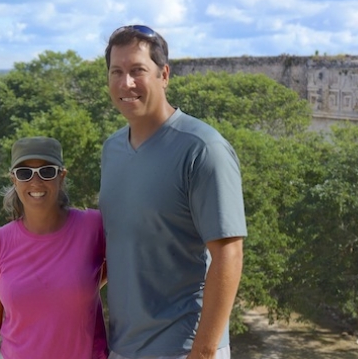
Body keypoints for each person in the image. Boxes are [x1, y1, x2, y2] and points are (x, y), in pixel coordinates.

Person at [99, 25, 247, 359]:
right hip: (122, 345)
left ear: (164, 74)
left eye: (138, 71)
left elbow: (229, 254)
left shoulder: (202, 148)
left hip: (183, 347)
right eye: (116, 72)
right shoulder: (112, 150)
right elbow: (120, 243)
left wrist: (204, 351)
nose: (126, 83)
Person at [0, 136, 108, 359]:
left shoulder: (94, 227)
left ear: (61, 176)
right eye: (25, 173)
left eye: (46, 171)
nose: (35, 182)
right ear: (14, 180)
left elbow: (125, 267)